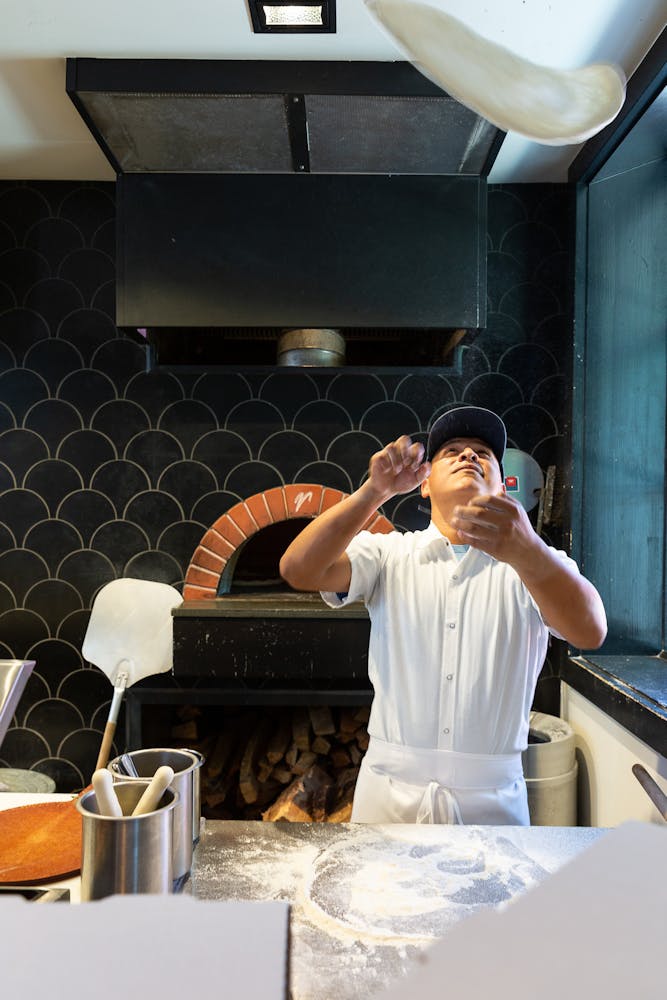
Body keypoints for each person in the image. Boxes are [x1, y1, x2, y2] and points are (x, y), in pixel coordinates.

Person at [279, 406, 607, 825]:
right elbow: (299, 569)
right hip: (388, 798)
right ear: (424, 484)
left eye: (483, 453)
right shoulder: (389, 554)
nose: (469, 455)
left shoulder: (537, 565)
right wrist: (374, 491)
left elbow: (590, 632)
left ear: (502, 487)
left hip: (494, 803)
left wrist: (529, 549)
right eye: (452, 451)